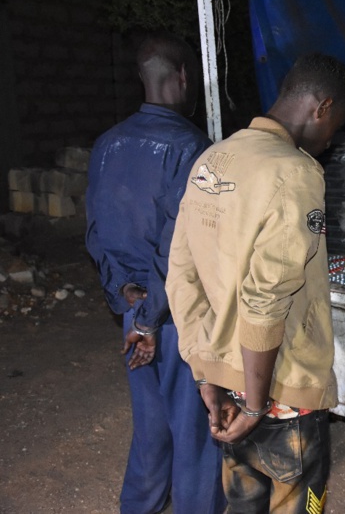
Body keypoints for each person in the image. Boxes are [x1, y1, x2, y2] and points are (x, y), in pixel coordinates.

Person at [166, 53, 345, 513]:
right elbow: (266, 297)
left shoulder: (212, 158)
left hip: (227, 384)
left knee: (243, 503)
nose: (331, 141)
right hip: (279, 388)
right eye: (338, 125)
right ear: (322, 108)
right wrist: (255, 405)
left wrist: (204, 372)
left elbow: (181, 276)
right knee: (299, 501)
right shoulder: (294, 171)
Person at [85, 32, 225, 513]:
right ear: (184, 77)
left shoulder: (106, 144)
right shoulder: (194, 149)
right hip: (174, 317)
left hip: (132, 313)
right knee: (196, 439)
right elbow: (178, 247)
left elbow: (96, 231)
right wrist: (150, 317)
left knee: (150, 431)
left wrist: (126, 299)